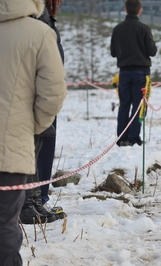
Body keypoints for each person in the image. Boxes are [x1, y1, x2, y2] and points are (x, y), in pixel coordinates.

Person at [0, 0, 67, 263]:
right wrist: (32, 126)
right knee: (4, 226)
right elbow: (54, 93)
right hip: (11, 148)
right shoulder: (39, 32)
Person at [19, 0, 66, 225]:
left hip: (43, 92)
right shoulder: (37, 16)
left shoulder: (42, 15)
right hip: (36, 93)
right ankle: (29, 202)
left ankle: (36, 199)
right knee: (33, 148)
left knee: (38, 148)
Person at [110, 0, 157, 147]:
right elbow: (152, 51)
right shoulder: (144, 29)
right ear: (140, 10)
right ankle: (133, 137)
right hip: (141, 73)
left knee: (124, 105)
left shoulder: (117, 29)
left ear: (125, 9)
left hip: (124, 72)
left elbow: (113, 53)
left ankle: (122, 137)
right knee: (139, 105)